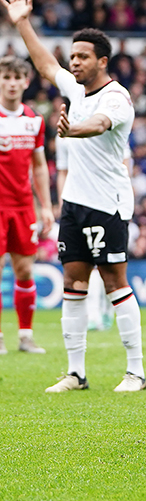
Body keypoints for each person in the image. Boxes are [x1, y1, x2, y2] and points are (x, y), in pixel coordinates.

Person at [2, 0, 146, 393]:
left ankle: (135, 371)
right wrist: (23, 23)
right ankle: (76, 373)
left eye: (82, 57)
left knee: (116, 282)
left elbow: (98, 125)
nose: (74, 62)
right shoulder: (73, 89)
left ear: (103, 60)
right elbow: (46, 66)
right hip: (75, 205)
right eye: (73, 56)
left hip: (109, 205)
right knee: (73, 285)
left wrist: (72, 130)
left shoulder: (117, 98)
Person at [0, 56, 54, 355]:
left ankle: (25, 335)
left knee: (23, 271)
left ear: (25, 82)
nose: (11, 83)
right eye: (5, 77)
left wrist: (45, 206)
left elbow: (39, 166)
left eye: (16, 78)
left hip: (23, 208)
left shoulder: (33, 120)